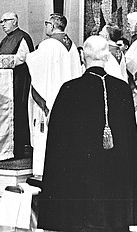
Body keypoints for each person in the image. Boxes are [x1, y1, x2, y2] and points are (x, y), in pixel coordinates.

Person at [37, 35, 137, 232]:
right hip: (113, 191)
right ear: (107, 57)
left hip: (79, 191)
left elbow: (57, 144)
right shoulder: (122, 89)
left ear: (83, 56)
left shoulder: (69, 89)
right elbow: (130, 142)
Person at [26, 13, 83, 178]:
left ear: (53, 25)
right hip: (68, 100)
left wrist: (29, 57)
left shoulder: (48, 44)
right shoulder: (71, 45)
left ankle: (41, 171)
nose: (46, 27)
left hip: (50, 96)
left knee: (44, 133)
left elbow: (33, 64)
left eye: (47, 23)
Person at [0, 12, 35, 158]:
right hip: (7, 81)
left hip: (20, 80)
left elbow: (22, 58)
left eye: (5, 21)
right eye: (2, 21)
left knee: (19, 110)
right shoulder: (5, 40)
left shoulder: (23, 37)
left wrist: (0, 61)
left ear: (14, 21)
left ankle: (21, 148)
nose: (3, 24)